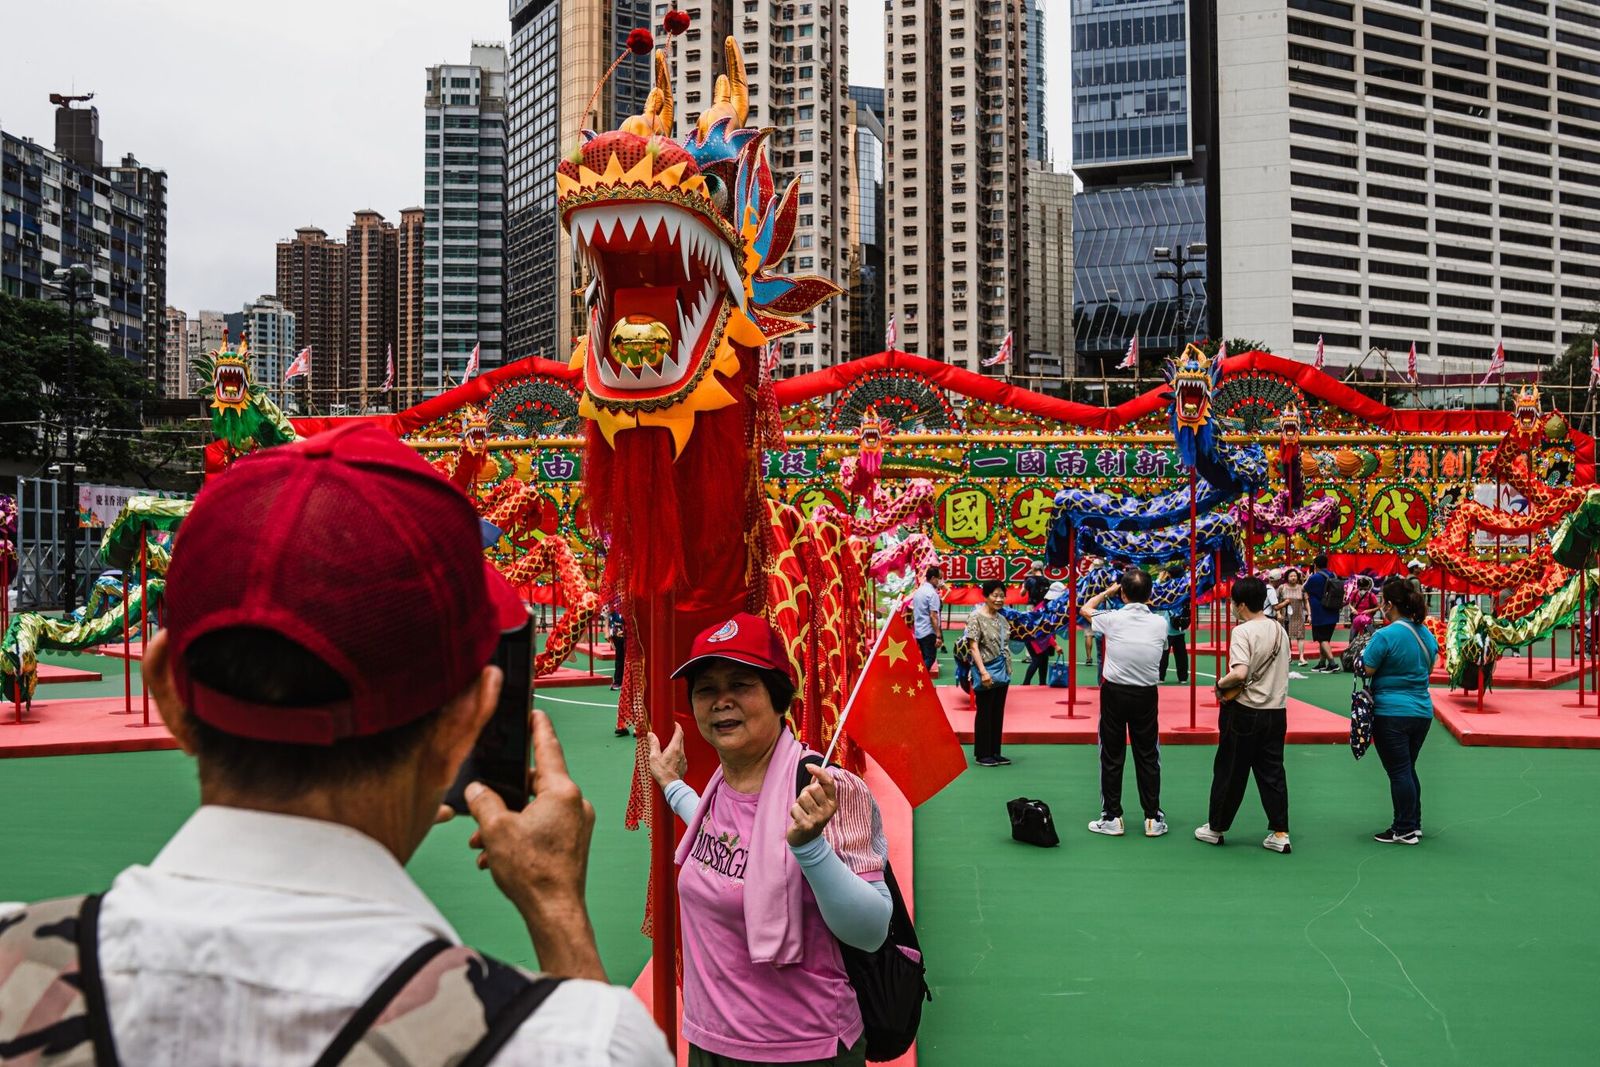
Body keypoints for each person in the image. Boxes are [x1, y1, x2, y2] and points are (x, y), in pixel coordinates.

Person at [0, 424, 670, 1064]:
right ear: (467, 722)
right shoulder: (567, 1039)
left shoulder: (12, 970)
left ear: (168, 693)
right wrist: (556, 905)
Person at [645, 612, 891, 1065]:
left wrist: (811, 849)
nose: (721, 702)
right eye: (706, 690)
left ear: (779, 699)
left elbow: (873, 930)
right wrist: (671, 784)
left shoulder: (825, 790)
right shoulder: (719, 789)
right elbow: (720, 837)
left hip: (802, 1049)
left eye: (740, 685)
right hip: (708, 1040)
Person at [1194, 576, 1293, 854]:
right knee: (1273, 772)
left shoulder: (1243, 631)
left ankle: (1216, 827)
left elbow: (1240, 672)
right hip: (1276, 711)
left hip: (1245, 711)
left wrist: (1219, 685)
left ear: (1239, 605)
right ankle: (1280, 832)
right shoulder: (1279, 630)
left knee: (1230, 770)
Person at [1080, 568, 1169, 837]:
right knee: (1148, 755)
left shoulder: (1113, 618)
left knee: (1111, 753)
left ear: (1123, 593)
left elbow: (1085, 609)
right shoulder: (1160, 623)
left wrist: (1107, 592)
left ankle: (1112, 817)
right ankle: (1152, 818)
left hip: (1115, 693)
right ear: (1150, 594)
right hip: (1145, 694)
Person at [1359, 578, 1439, 845]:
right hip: (1422, 710)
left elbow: (1366, 668)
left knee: (1399, 771)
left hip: (1391, 710)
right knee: (1407, 768)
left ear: (1389, 604)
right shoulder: (1427, 634)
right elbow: (1427, 671)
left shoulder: (1386, 635)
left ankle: (1403, 827)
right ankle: (1413, 823)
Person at [965, 579, 1014, 767]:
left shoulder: (1002, 619)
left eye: (1002, 595)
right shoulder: (975, 616)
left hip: (1002, 671)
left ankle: (995, 751)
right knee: (985, 711)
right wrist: (983, 672)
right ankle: (983, 753)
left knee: (997, 711)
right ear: (985, 596)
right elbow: (973, 646)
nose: (999, 599)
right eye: (995, 595)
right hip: (985, 670)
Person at [1302, 553, 1344, 673]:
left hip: (1320, 613)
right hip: (1333, 611)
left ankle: (1332, 664)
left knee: (1322, 639)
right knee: (1325, 639)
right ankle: (1321, 663)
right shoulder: (1333, 575)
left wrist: (1308, 577)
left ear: (1315, 565)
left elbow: (1304, 588)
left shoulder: (1314, 578)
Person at [1158, 563, 1189, 684]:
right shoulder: (1185, 585)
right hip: (1181, 623)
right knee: (1181, 653)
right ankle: (1182, 677)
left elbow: (1157, 590)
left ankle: (1161, 676)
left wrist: (1160, 578)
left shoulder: (1168, 585)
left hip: (1168, 625)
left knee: (1164, 653)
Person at [911, 566, 944, 675]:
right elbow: (933, 616)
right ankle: (918, 679)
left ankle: (920, 681)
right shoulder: (932, 594)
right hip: (929, 631)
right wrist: (938, 635)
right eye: (940, 578)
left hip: (919, 630)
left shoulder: (919, 591)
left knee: (924, 657)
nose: (941, 581)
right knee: (930, 658)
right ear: (933, 578)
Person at [1278, 567, 1309, 665]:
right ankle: (1288, 656)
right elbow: (1277, 602)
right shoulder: (1282, 588)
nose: (1293, 578)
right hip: (1285, 616)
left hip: (1298, 615)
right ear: (1287, 577)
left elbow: (1306, 602)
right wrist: (1278, 613)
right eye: (1291, 576)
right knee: (1286, 637)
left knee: (1300, 636)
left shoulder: (1302, 588)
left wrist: (1309, 614)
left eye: (1295, 576)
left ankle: (1301, 657)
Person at [1348, 574, 1381, 641]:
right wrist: (1353, 609)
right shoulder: (1355, 592)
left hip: (1367, 619)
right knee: (1351, 638)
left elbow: (1378, 607)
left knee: (1369, 638)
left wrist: (1369, 611)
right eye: (1361, 588)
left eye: (1365, 588)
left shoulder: (1371, 595)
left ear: (1368, 587)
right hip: (1356, 617)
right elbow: (1350, 604)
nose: (1362, 590)